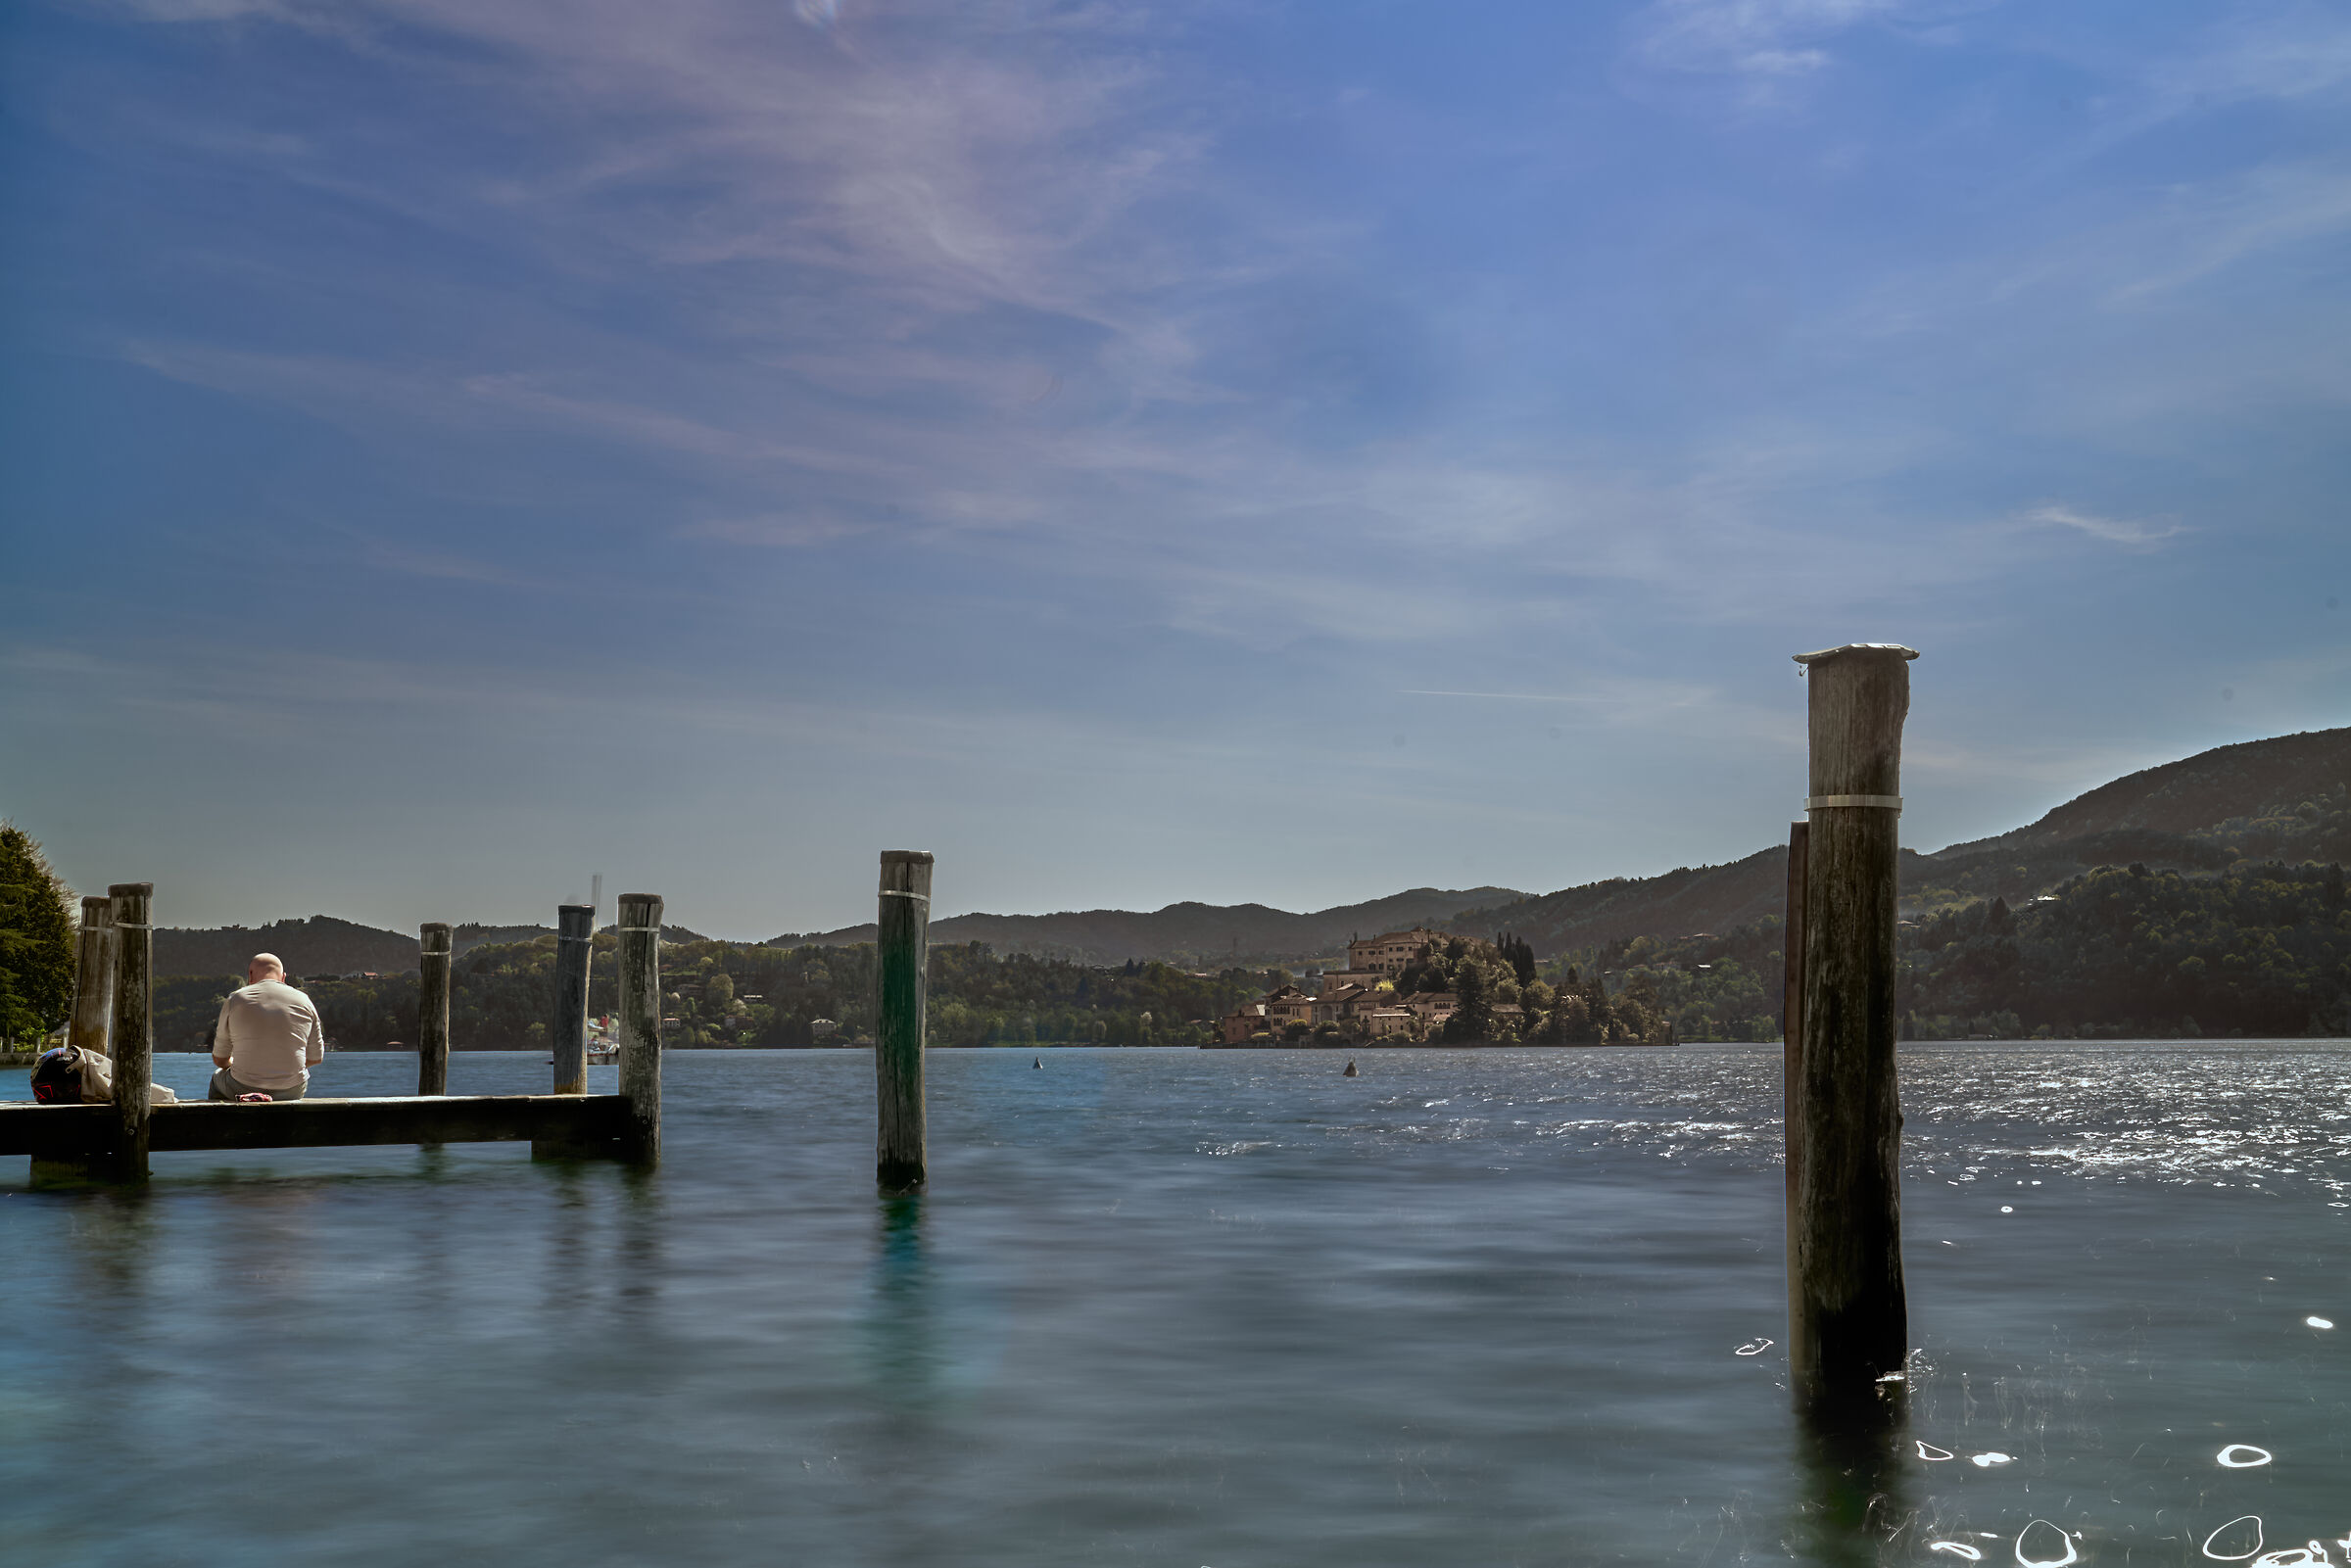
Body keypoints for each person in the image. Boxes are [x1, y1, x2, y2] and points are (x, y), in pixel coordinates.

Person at [210, 953, 325, 1102]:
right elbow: (316, 1058)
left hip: (241, 1086)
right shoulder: (305, 1001)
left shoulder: (235, 999)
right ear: (283, 977)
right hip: (291, 1089)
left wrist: (234, 1063)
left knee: (216, 1078)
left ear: (250, 975)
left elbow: (220, 1059)